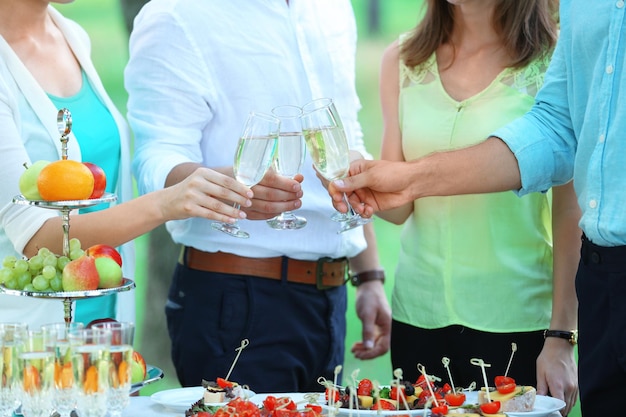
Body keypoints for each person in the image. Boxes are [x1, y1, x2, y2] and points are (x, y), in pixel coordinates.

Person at [330, 1, 623, 415]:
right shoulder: (402, 59)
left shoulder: (556, 60)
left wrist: (561, 335)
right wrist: (359, 178)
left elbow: (569, 212)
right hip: (419, 318)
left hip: (518, 322)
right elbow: (399, 207)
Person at [125, 0, 391, 393]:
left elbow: (343, 140)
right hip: (234, 302)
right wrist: (227, 186)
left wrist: (368, 275)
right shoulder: (176, 14)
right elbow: (156, 156)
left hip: (329, 299)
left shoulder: (333, 8)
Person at [0, 0, 253, 329]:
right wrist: (167, 203)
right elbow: (37, 238)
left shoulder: (70, 35)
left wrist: (213, 184)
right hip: (28, 347)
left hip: (104, 330)